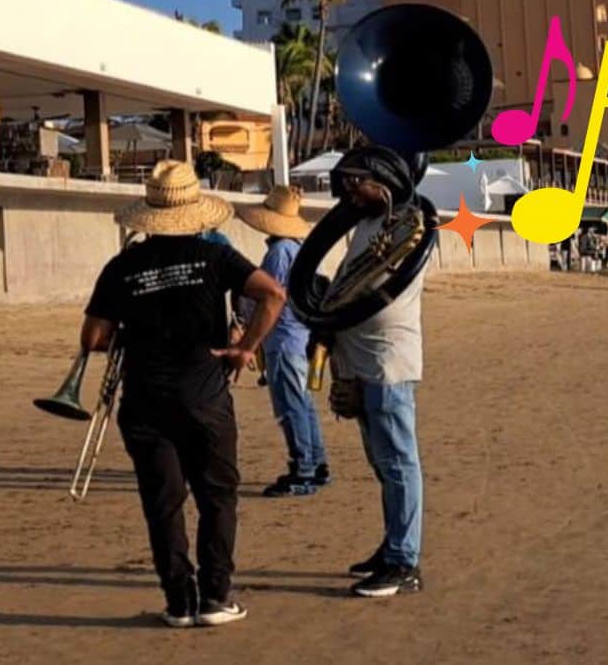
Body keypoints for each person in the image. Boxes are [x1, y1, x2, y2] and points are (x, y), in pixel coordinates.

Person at [81, 160, 286, 628]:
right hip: (205, 397)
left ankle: (179, 602)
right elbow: (273, 294)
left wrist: (133, 332)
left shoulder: (123, 265)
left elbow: (93, 337)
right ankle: (216, 597)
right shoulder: (216, 257)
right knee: (217, 498)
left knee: (162, 503)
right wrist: (245, 348)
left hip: (145, 403)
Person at [327, 148, 426, 598]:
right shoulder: (366, 225)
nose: (349, 189)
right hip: (360, 361)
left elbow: (372, 286)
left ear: (382, 179)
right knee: (383, 465)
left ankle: (405, 562)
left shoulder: (407, 224)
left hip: (387, 364)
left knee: (398, 463)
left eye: (356, 180)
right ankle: (392, 548)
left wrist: (330, 314)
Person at [236, 186, 330, 497]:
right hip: (296, 335)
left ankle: (303, 467)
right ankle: (315, 463)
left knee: (291, 406)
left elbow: (270, 298)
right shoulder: (296, 249)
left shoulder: (278, 253)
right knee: (301, 403)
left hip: (284, 337)